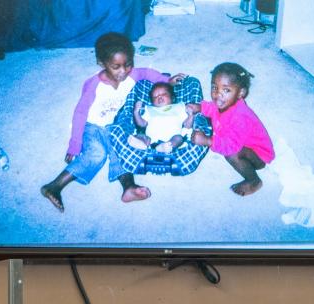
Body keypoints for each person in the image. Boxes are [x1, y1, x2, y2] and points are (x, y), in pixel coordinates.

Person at [40, 32, 187, 211]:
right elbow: (80, 113)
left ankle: (128, 188)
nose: (123, 71)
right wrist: (74, 144)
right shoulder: (94, 85)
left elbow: (146, 73)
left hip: (112, 126)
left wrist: (166, 81)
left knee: (121, 149)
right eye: (116, 67)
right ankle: (54, 186)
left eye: (128, 64)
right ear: (102, 64)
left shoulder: (131, 74)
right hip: (91, 126)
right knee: (97, 154)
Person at [189, 62, 275, 196]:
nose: (218, 94)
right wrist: (200, 107)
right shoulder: (226, 102)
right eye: (214, 87)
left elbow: (230, 147)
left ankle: (254, 181)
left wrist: (207, 141)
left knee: (231, 155)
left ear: (241, 93)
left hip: (258, 156)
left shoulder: (240, 117)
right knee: (212, 115)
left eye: (226, 90)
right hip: (243, 142)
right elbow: (213, 107)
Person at [127, 81, 196, 153]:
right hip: (151, 141)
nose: (159, 97)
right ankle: (140, 144)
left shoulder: (179, 107)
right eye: (155, 97)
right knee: (142, 136)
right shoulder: (150, 109)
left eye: (163, 94)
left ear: (172, 97)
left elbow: (187, 126)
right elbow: (142, 124)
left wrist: (191, 115)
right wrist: (136, 112)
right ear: (152, 102)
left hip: (172, 138)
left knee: (179, 138)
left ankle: (167, 147)